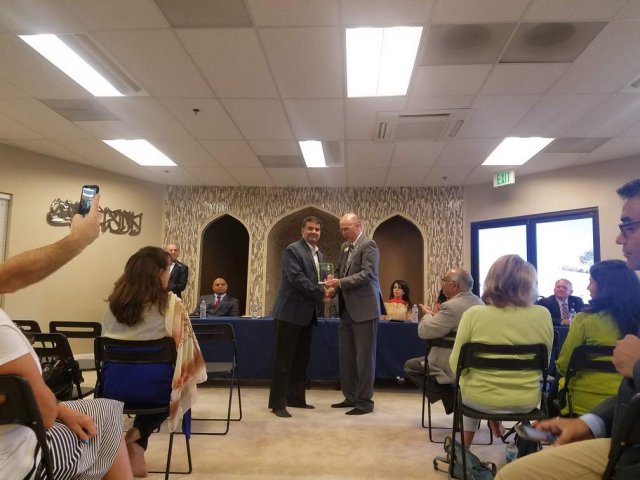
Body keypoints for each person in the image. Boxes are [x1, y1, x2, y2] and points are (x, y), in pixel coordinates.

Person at [496, 178, 640, 480]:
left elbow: (562, 363)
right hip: (619, 432)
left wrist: (637, 366)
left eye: (627, 227)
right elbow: (630, 393)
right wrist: (589, 423)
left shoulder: (585, 319)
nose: (618, 239)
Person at [0, 194, 133, 480]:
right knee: (105, 416)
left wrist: (61, 408)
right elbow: (43, 415)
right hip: (17, 463)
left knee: (93, 408)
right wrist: (78, 239)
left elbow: (9, 277)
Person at [103, 246, 207, 477]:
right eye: (168, 270)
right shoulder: (172, 304)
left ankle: (136, 450)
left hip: (111, 387)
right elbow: (187, 352)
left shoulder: (112, 304)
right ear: (160, 273)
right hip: (155, 390)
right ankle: (137, 435)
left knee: (151, 377)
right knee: (179, 384)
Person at [450, 255, 553, 447]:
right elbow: (544, 365)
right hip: (525, 401)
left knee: (468, 381)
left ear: (491, 281)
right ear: (529, 283)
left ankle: (464, 448)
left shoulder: (473, 314)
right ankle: (508, 431)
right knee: (475, 381)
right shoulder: (543, 315)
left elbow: (456, 364)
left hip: (478, 399)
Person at [555, 260, 640, 416]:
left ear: (606, 287)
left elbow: (564, 365)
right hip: (630, 403)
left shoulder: (584, 320)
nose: (588, 287)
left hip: (583, 404)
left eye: (591, 282)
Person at [268, 216, 327, 418]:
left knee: (301, 360)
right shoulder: (292, 250)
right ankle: (278, 404)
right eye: (310, 228)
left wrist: (329, 288)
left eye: (317, 229)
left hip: (307, 314)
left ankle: (296, 399)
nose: (314, 232)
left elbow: (321, 281)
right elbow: (296, 278)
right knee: (283, 361)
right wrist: (321, 293)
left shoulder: (319, 255)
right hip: (289, 312)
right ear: (302, 231)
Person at [325, 213, 382, 415]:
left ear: (358, 226)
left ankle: (364, 402)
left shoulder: (369, 245)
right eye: (341, 229)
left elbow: (367, 274)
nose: (343, 232)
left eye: (346, 228)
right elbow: (340, 272)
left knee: (364, 359)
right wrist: (332, 287)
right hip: (346, 309)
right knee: (347, 357)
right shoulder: (345, 247)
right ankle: (350, 397)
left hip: (365, 309)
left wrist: (340, 282)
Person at [403, 268, 483, 414]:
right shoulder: (480, 303)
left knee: (411, 366)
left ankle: (451, 398)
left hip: (450, 362)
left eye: (444, 281)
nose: (442, 285)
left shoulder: (450, 307)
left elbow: (424, 332)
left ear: (454, 285)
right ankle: (453, 398)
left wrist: (429, 315)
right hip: (474, 363)